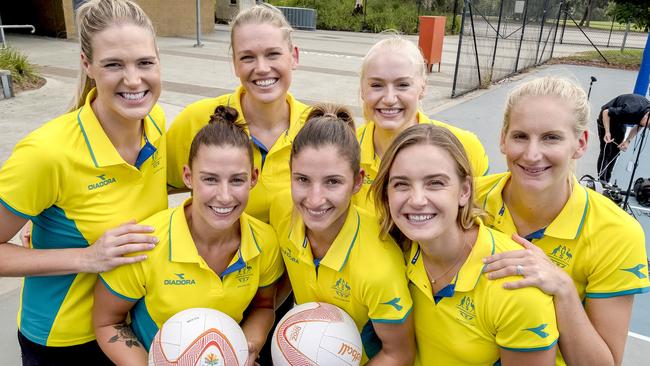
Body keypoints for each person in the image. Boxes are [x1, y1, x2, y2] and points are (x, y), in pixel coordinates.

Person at [0, 0, 166, 364]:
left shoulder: (157, 127)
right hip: (64, 340)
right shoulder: (47, 153)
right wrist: (87, 257)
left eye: (144, 62)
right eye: (113, 65)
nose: (134, 79)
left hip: (130, 328)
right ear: (87, 65)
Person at [477, 77, 650, 365]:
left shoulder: (617, 233)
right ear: (503, 139)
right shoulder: (468, 198)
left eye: (551, 137)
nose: (532, 155)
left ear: (580, 143)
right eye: (520, 136)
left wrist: (563, 289)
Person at [93, 106, 283, 365]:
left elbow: (263, 307)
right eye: (210, 179)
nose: (224, 196)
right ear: (188, 177)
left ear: (253, 178)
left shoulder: (265, 242)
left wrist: (247, 347)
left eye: (237, 180)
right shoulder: (145, 243)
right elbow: (108, 322)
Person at [371, 123, 558, 365]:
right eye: (401, 184)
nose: (417, 200)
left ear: (465, 190)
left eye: (435, 183)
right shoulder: (391, 249)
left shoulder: (515, 284)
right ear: (387, 193)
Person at [269, 104, 415, 365]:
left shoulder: (379, 266)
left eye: (332, 182)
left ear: (358, 181)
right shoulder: (282, 209)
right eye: (302, 179)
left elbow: (399, 354)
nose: (314, 200)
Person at [166, 3, 310, 224]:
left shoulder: (313, 128)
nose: (261, 67)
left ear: (294, 57)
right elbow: (152, 188)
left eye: (273, 54)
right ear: (234, 63)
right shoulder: (197, 119)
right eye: (247, 57)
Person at [355, 36, 489, 212]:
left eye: (402, 85)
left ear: (423, 88)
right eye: (376, 85)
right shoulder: (346, 150)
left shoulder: (465, 147)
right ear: (363, 90)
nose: (389, 99)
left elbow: (484, 220)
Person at [596, 93, 650, 182]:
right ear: (647, 115)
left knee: (616, 151)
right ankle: (601, 180)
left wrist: (627, 141)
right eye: (648, 126)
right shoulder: (630, 110)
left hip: (620, 121)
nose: (646, 127)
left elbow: (639, 126)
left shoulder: (646, 113)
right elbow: (606, 112)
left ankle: (606, 181)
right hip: (606, 119)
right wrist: (607, 132)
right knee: (606, 151)